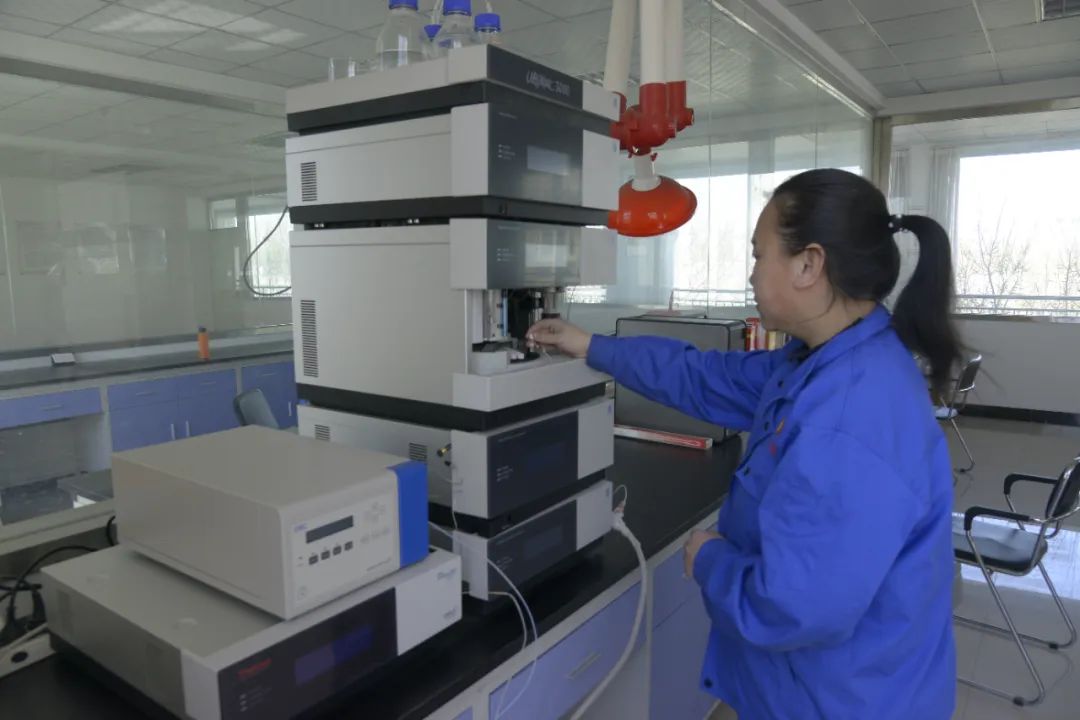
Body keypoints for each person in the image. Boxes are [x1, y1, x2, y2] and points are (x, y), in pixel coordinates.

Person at [527, 169, 959, 720]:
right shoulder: (828, 360)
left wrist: (709, 558)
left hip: (845, 702)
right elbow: (705, 377)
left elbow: (791, 608)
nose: (752, 273)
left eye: (759, 254)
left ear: (809, 264)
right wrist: (589, 344)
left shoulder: (849, 419)